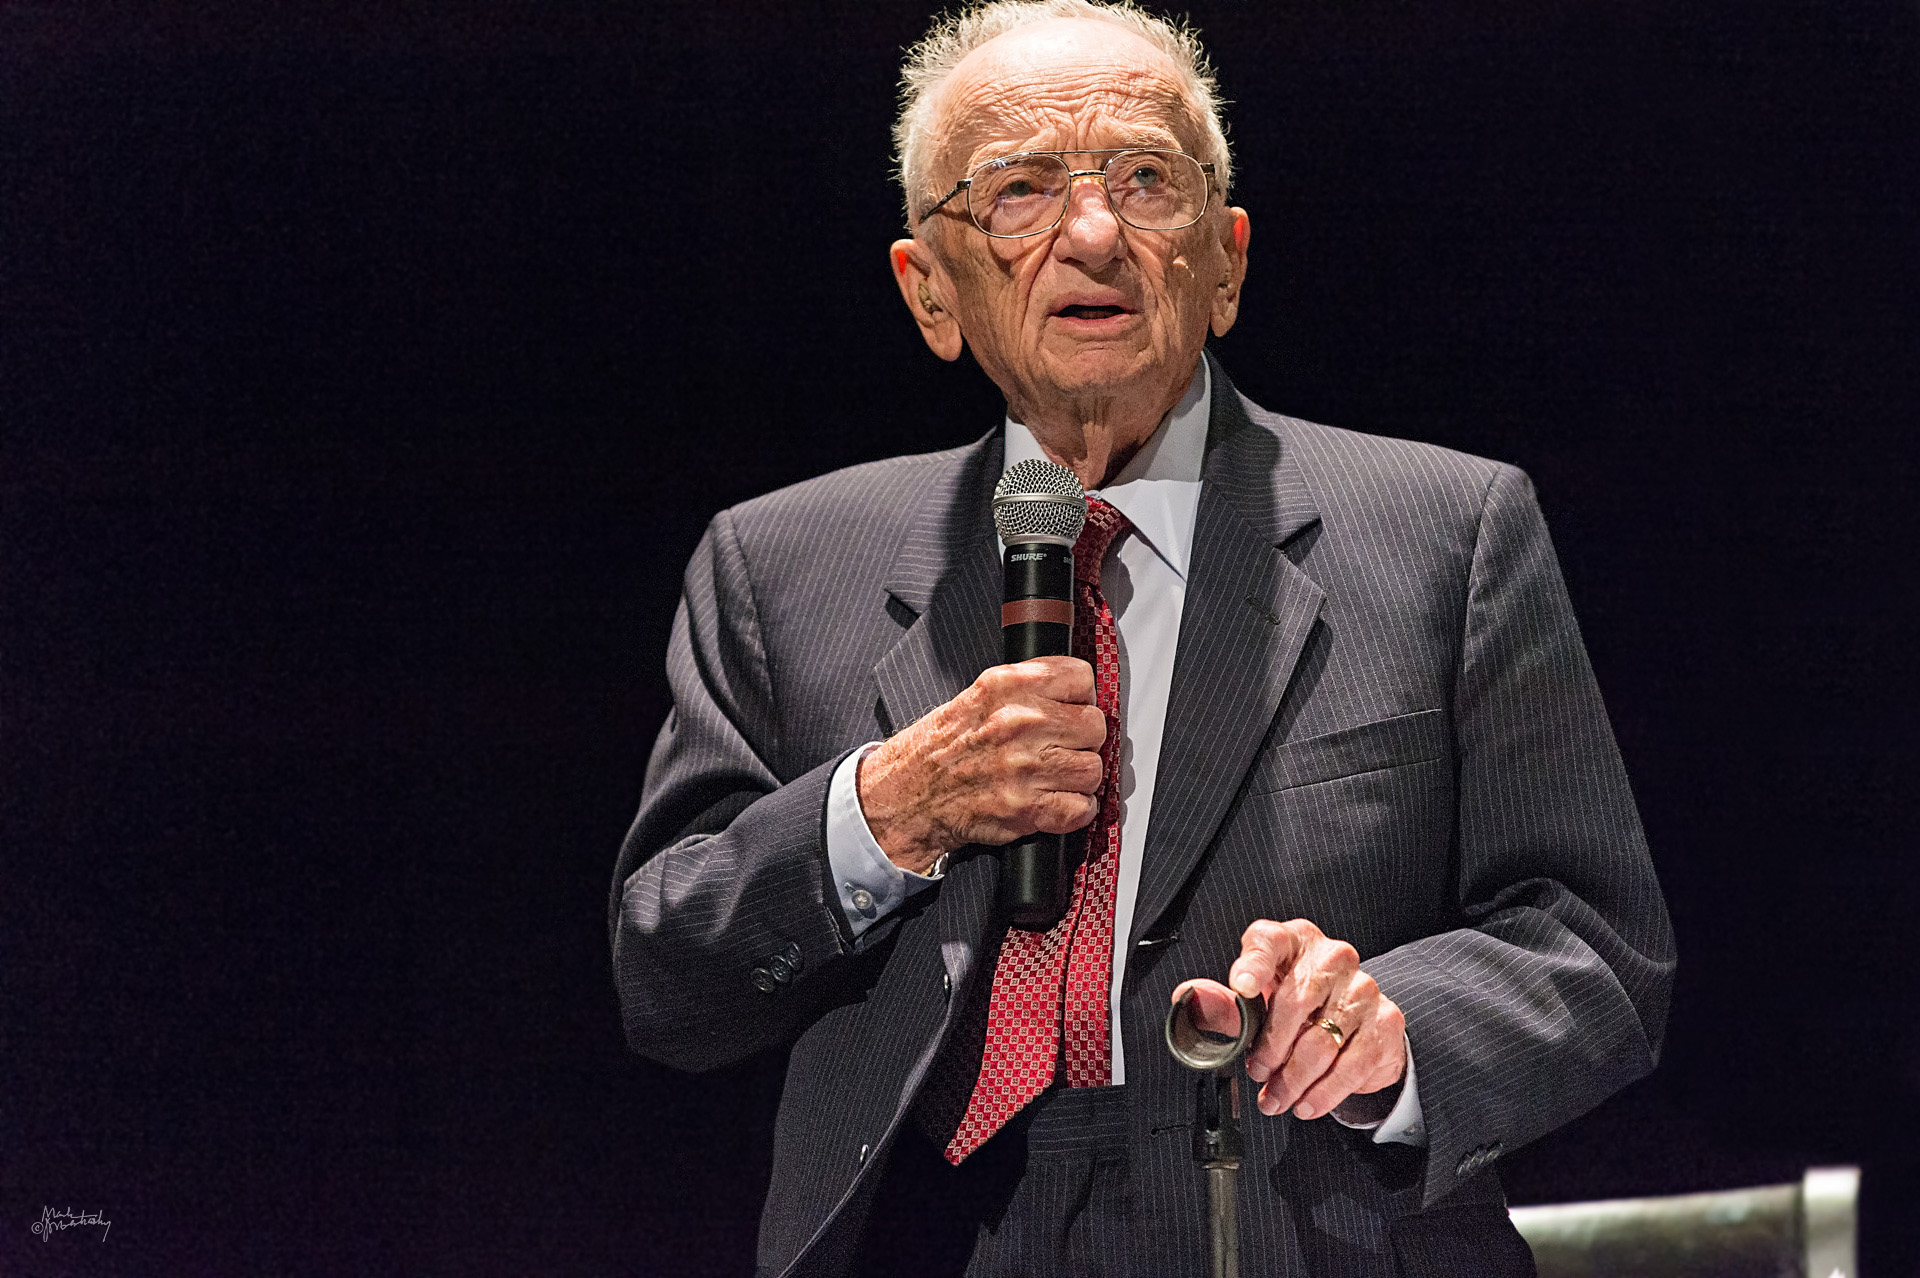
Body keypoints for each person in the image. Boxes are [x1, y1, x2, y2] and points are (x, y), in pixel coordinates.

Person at [610, 3, 1674, 1274]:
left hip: (1301, 1232)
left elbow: (1596, 947)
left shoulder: (1449, 532)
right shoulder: (780, 565)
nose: (1095, 233)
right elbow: (668, 979)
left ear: (1225, 264)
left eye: (1147, 181)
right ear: (930, 291)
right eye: (1018, 190)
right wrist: (884, 811)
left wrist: (1397, 1032)